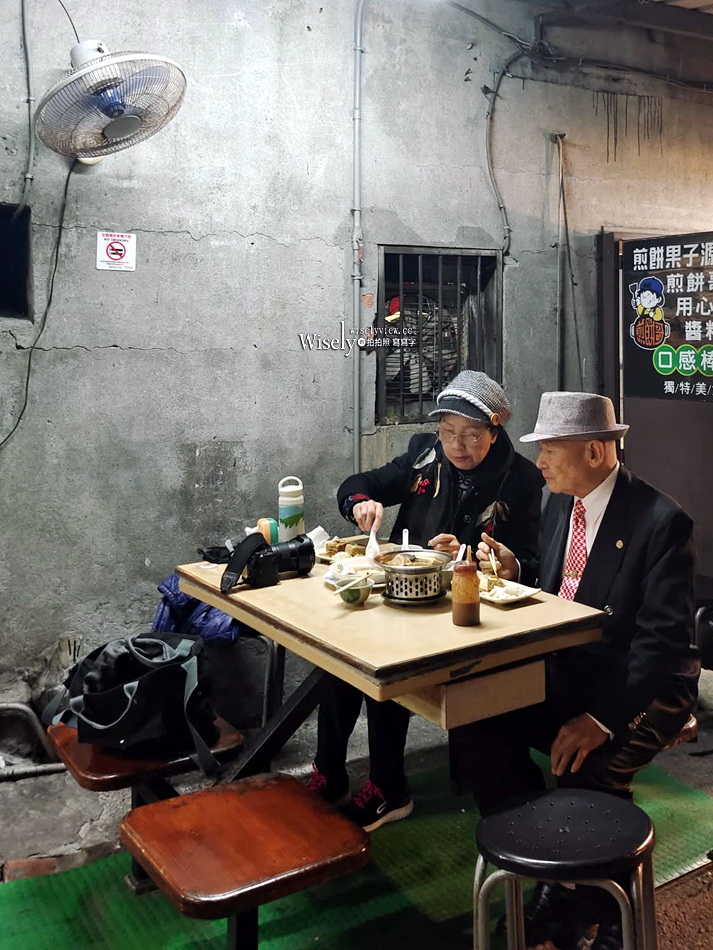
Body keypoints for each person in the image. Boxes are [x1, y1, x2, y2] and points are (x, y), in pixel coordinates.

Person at [450, 390, 700, 950]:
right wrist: (519, 568)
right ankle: (556, 880)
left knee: (588, 762)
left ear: (593, 451)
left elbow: (660, 643)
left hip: (645, 683)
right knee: (476, 723)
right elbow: (563, 582)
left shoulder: (662, 521)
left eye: (550, 449)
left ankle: (612, 913)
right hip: (577, 664)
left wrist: (602, 719)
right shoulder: (562, 502)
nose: (538, 462)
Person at [308, 370, 544, 831]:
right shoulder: (425, 455)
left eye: (470, 435)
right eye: (448, 432)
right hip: (403, 594)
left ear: (494, 431)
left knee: (387, 671)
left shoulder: (521, 480)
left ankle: (389, 788)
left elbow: (529, 564)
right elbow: (361, 482)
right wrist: (360, 503)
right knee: (337, 663)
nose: (456, 445)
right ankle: (328, 773)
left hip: (463, 616)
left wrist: (471, 556)